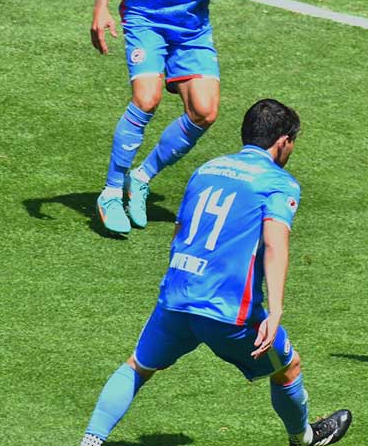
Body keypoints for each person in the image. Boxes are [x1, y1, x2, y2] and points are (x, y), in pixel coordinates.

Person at [79, 99, 352, 446]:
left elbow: (180, 229)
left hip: (176, 297)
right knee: (289, 366)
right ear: (282, 141)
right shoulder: (279, 183)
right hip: (227, 311)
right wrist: (278, 310)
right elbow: (274, 244)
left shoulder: (207, 169)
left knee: (137, 367)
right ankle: (304, 439)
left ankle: (91, 440)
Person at [90, 0, 255, 234]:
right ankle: (111, 191)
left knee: (205, 111)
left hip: (193, 27)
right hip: (147, 18)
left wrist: (198, 3)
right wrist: (101, 10)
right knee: (146, 99)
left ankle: (142, 178)